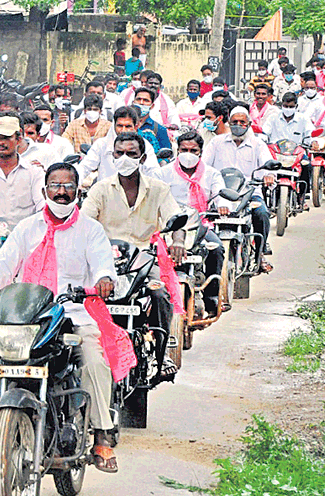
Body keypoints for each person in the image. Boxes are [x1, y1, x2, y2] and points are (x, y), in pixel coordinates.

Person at [0, 162, 120, 473]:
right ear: (44, 190)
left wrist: (103, 280)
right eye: (55, 186)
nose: (61, 192)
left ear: (78, 191)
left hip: (72, 311)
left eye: (68, 186)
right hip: (28, 313)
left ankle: (102, 434)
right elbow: (4, 263)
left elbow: (104, 266)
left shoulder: (91, 229)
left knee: (94, 358)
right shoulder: (27, 227)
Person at [80, 132, 183, 379]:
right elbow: (83, 222)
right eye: (120, 154)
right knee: (77, 294)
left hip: (144, 261)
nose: (124, 158)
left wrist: (178, 240)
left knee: (159, 294)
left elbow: (175, 219)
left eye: (131, 154)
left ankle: (162, 349)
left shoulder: (159, 189)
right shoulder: (100, 189)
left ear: (142, 158)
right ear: (112, 156)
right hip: (105, 260)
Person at [151, 131, 227, 315]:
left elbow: (220, 193)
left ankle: (211, 296)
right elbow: (151, 196)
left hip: (199, 225)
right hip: (167, 228)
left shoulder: (211, 174)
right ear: (177, 150)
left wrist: (223, 206)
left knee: (216, 248)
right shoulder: (162, 173)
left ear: (200, 152)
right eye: (184, 149)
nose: (188, 153)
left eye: (193, 150)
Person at [201, 106, 274, 269]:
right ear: (228, 122)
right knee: (202, 217)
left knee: (262, 213)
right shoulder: (216, 142)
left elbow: (267, 164)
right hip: (220, 195)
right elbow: (204, 167)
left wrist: (269, 175)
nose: (238, 125)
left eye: (242, 122)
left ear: (249, 124)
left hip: (249, 194)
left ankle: (260, 254)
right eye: (234, 122)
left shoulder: (258, 144)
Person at [78, 106, 160, 182]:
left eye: (128, 126)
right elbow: (84, 168)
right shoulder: (101, 144)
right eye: (120, 126)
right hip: (106, 194)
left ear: (136, 127)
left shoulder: (145, 146)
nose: (123, 130)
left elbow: (153, 172)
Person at [263, 91, 316, 205]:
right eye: (285, 106)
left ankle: (302, 194)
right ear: (281, 105)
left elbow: (309, 134)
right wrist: (262, 139)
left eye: (291, 107)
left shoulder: (303, 119)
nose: (288, 109)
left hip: (296, 154)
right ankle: (263, 196)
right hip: (276, 153)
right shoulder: (273, 118)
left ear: (296, 106)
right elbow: (265, 132)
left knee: (307, 165)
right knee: (262, 167)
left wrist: (313, 142)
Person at [132, 87, 171, 152]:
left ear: (152, 106)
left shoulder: (160, 129)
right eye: (138, 99)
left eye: (146, 100)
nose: (141, 103)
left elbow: (166, 155)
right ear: (133, 102)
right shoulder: (124, 125)